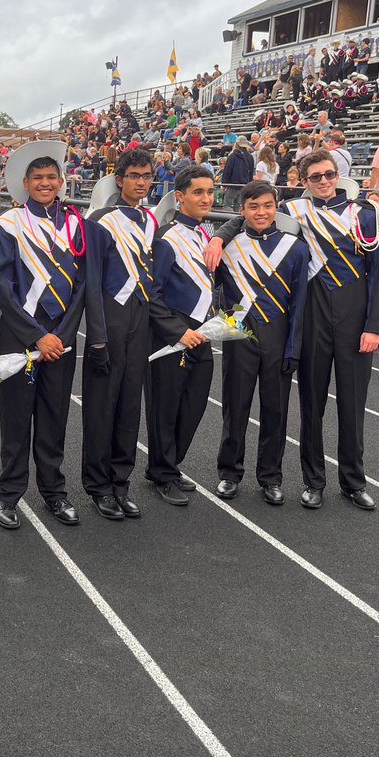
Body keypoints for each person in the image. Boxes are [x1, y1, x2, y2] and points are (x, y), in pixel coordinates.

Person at [206, 150, 379, 511]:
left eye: (329, 174)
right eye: (315, 176)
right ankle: (313, 481)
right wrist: (218, 237)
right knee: (311, 405)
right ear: (304, 182)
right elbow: (249, 215)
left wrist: (373, 326)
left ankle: (353, 481)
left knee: (353, 405)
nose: (324, 181)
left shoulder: (366, 214)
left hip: (354, 317)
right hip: (313, 316)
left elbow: (378, 273)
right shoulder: (292, 211)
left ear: (338, 174)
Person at [0, 142, 86, 529]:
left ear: (61, 182)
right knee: (16, 419)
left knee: (54, 418)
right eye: (38, 178)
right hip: (21, 335)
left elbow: (81, 287)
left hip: (61, 338)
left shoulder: (75, 224)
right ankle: (9, 493)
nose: (45, 183)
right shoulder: (9, 224)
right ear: (26, 183)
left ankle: (54, 491)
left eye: (51, 177)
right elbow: (2, 287)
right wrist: (36, 335)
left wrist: (61, 334)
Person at [213, 181, 309, 505]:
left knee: (275, 411)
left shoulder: (295, 248)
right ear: (241, 210)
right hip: (239, 331)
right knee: (235, 406)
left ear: (276, 207)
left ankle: (270, 476)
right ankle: (229, 473)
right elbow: (211, 289)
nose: (261, 212)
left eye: (267, 205)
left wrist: (293, 348)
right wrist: (223, 322)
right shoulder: (228, 246)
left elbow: (299, 304)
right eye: (253, 206)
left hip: (278, 335)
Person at [82, 147, 163, 521]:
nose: (141, 182)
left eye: (146, 176)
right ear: (119, 179)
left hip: (139, 319)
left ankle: (120, 483)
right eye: (134, 176)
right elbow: (92, 280)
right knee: (102, 405)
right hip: (110, 318)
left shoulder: (150, 219)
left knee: (130, 404)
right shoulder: (100, 220)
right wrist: (97, 335)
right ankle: (98, 486)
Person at [145, 165, 217, 506]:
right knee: (166, 406)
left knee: (194, 405)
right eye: (198, 192)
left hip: (202, 333)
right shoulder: (165, 238)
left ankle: (170, 464)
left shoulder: (205, 233)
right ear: (180, 196)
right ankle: (162, 472)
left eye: (210, 191)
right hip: (173, 336)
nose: (206, 198)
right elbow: (151, 293)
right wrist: (177, 330)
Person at [221, 140, 254, 210]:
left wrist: (224, 183)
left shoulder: (232, 156)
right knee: (238, 206)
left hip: (233, 185)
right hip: (244, 185)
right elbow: (251, 172)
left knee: (227, 205)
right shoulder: (250, 157)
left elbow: (227, 171)